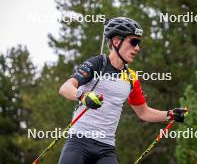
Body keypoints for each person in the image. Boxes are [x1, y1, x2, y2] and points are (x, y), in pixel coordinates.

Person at [58, 17, 186, 164]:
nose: (137, 48)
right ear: (116, 41)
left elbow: (143, 112)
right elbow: (65, 88)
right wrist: (83, 96)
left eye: (138, 43)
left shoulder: (131, 78)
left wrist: (169, 115)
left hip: (106, 149)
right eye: (133, 42)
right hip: (79, 142)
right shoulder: (98, 63)